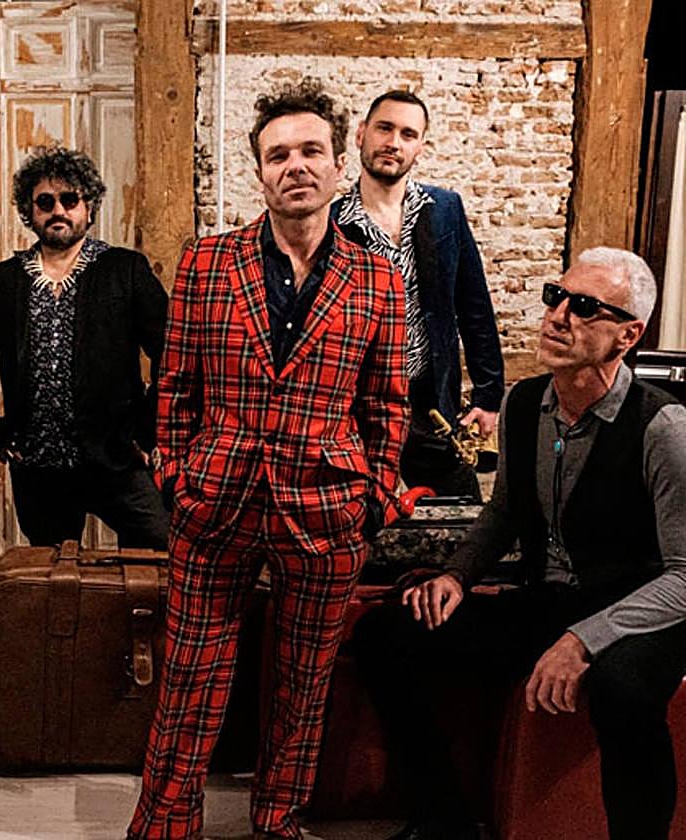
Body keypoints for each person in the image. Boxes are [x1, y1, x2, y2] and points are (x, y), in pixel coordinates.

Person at [128, 78, 409, 840]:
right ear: (259, 172)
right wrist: (176, 477)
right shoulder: (206, 262)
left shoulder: (378, 279)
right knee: (188, 679)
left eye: (311, 150)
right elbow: (174, 387)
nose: (296, 166)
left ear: (340, 164)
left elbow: (387, 404)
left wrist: (373, 498)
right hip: (214, 502)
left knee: (302, 686)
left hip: (327, 510)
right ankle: (164, 824)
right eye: (278, 154)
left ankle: (277, 821)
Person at [353, 248, 686, 840]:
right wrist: (455, 575)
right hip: (550, 600)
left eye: (584, 307)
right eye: (556, 297)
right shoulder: (523, 403)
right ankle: (444, 820)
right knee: (386, 634)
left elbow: (683, 576)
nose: (558, 316)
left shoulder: (664, 428)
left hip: (638, 612)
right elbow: (504, 511)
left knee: (623, 689)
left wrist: (584, 640)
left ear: (628, 335)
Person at [0, 146, 169, 549]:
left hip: (117, 459)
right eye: (45, 202)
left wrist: (147, 431)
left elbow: (172, 352)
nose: (58, 210)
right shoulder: (3, 281)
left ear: (89, 208)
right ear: (30, 211)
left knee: (157, 551)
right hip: (39, 468)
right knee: (53, 578)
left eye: (70, 199)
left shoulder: (124, 270)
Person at [332, 90, 504, 499]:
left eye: (407, 134)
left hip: (430, 401)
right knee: (360, 513)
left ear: (420, 147)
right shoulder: (332, 223)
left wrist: (488, 396)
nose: (394, 142)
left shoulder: (445, 209)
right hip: (359, 407)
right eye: (384, 128)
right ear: (361, 134)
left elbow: (474, 305)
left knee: (460, 507)